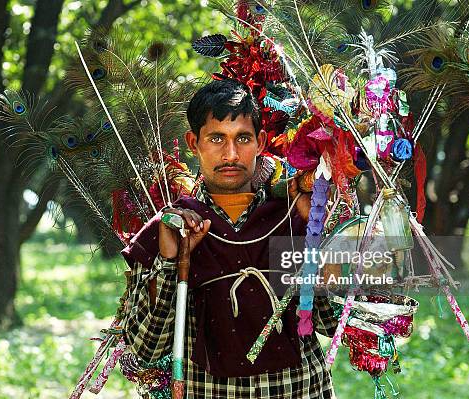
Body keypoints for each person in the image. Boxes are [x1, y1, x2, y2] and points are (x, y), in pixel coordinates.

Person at [121, 79, 338, 398]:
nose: (231, 154)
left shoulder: (293, 214)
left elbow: (332, 325)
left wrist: (321, 234)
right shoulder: (170, 226)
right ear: (194, 142)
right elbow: (146, 349)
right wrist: (171, 263)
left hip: (300, 390)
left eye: (243, 138)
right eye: (217, 138)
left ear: (261, 142)